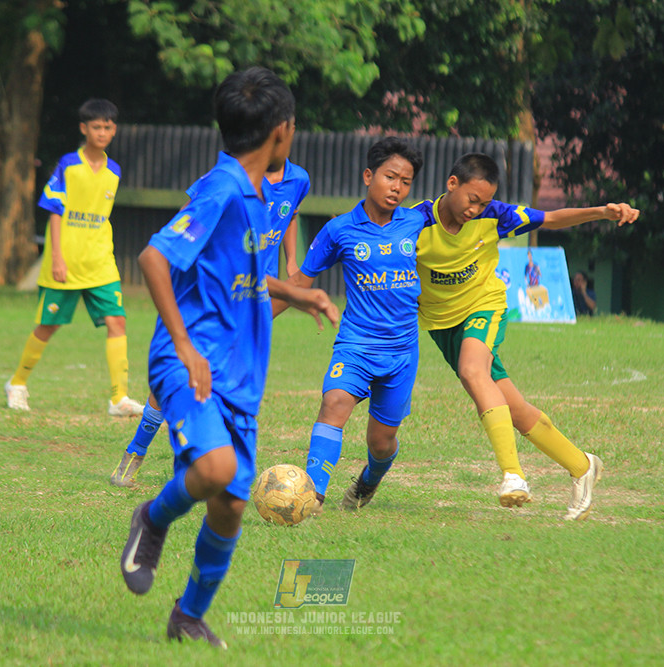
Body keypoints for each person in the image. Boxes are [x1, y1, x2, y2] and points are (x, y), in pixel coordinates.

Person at [119, 67, 338, 648]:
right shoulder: (220, 189)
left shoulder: (261, 196)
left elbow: (240, 276)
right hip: (190, 362)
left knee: (231, 506)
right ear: (281, 130)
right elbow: (153, 258)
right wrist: (184, 346)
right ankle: (152, 517)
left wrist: (295, 292)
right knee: (215, 470)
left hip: (240, 374)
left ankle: (188, 616)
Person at [411, 153, 639, 520]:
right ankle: (582, 466)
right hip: (441, 324)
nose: (476, 209)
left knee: (472, 371)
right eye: (472, 199)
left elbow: (550, 218)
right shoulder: (415, 222)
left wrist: (602, 212)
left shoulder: (495, 215)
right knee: (513, 409)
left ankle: (513, 476)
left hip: (483, 307)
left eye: (483, 203)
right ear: (452, 184)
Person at [109, 158, 310, 487]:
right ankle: (137, 449)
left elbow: (291, 215)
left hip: (257, 293)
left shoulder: (298, 179)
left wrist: (291, 263)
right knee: (181, 373)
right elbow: (185, 224)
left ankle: (207, 463)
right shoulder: (224, 180)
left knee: (229, 376)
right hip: (211, 295)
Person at [273, 137, 426, 512]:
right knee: (334, 403)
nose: (397, 187)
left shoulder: (418, 221)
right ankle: (312, 496)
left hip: (402, 352)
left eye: (406, 181)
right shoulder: (339, 229)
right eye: (390, 177)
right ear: (368, 176)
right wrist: (254, 320)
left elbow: (460, 213)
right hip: (356, 344)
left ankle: (368, 481)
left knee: (381, 443)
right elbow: (299, 284)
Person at [4, 98, 144, 417]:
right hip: (66, 262)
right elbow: (55, 211)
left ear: (114, 130)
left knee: (117, 321)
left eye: (108, 127)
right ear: (84, 129)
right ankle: (17, 383)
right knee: (48, 325)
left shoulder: (114, 171)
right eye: (96, 127)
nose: (102, 132)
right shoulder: (68, 164)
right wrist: (56, 257)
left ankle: (119, 398)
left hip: (100, 263)